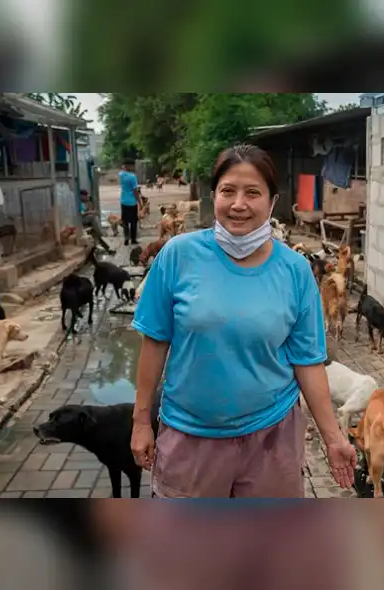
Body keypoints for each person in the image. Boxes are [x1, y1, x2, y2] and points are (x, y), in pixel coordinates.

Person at [129, 144, 357, 498]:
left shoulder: (295, 271)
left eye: (253, 192)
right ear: (214, 194)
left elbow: (308, 362)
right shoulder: (178, 255)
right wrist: (141, 421)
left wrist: (333, 438)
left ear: (272, 200)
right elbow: (155, 342)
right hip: (190, 437)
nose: (238, 204)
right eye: (228, 191)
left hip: (271, 439)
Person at [79, 189, 115, 254]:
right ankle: (102, 235)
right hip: (79, 220)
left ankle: (102, 235)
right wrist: (90, 212)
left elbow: (85, 211)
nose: (87, 197)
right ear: (81, 196)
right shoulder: (78, 203)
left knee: (95, 217)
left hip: (85, 218)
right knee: (93, 217)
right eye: (86, 196)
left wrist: (91, 209)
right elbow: (81, 214)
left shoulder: (83, 203)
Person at [119, 158, 141, 245]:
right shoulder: (132, 177)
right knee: (133, 221)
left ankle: (126, 238)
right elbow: (135, 191)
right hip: (132, 203)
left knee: (125, 221)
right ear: (130, 165)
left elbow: (121, 171)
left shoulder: (121, 175)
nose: (133, 166)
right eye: (132, 165)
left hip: (123, 202)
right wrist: (140, 202)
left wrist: (123, 168)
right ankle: (133, 239)